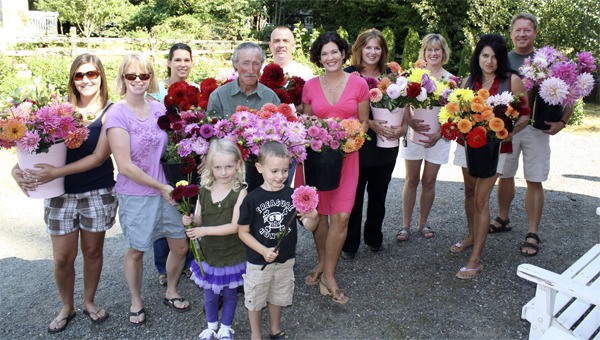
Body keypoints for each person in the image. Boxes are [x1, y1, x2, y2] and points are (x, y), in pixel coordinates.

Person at [11, 53, 117, 333]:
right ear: (72, 79)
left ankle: (89, 301)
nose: (85, 80)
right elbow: (31, 150)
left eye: (92, 74)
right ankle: (67, 306)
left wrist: (54, 172)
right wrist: (16, 172)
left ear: (101, 76)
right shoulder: (58, 112)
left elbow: (98, 156)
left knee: (93, 252)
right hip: (59, 194)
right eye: (79, 75)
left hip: (97, 190)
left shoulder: (111, 112)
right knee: (62, 258)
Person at [105, 53, 190, 325]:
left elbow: (175, 145)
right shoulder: (117, 114)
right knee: (137, 250)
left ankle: (171, 289)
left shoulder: (158, 108)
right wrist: (161, 186)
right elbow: (125, 166)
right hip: (137, 194)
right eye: (131, 76)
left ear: (151, 77)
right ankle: (136, 299)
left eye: (144, 75)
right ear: (123, 79)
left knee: (179, 245)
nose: (138, 80)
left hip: (167, 191)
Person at [489, 13, 573, 257]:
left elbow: (570, 93)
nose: (522, 34)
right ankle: (503, 218)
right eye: (518, 30)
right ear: (511, 33)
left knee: (534, 179)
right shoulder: (503, 60)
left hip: (537, 129)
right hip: (509, 128)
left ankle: (533, 231)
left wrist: (563, 121)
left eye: (527, 30)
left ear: (535, 33)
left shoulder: (550, 61)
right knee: (505, 175)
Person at [452, 34, 529, 279]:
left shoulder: (512, 80)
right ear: (478, 56)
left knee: (482, 199)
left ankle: (476, 259)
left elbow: (526, 115)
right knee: (469, 192)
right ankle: (472, 236)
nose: (490, 61)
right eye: (485, 55)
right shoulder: (469, 80)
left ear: (501, 58)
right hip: (468, 147)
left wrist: (510, 133)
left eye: (495, 56)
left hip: (497, 149)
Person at [301, 31, 370, 303]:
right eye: (324, 53)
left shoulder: (359, 84)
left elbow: (364, 122)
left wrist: (352, 140)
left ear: (343, 54)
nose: (330, 57)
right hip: (318, 161)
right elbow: (305, 125)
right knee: (320, 216)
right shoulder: (309, 85)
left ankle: (329, 274)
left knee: (341, 216)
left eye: (334, 51)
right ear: (319, 58)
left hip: (348, 158)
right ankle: (321, 263)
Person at [238, 141, 318, 340]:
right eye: (274, 171)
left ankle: (275, 328)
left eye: (284, 170)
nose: (280, 176)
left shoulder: (293, 196)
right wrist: (263, 250)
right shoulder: (252, 199)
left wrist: (313, 216)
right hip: (258, 261)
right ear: (259, 168)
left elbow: (309, 227)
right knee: (255, 299)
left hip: (286, 259)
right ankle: (255, 334)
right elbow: (242, 232)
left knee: (278, 296)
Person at [341, 28, 404, 260]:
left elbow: (406, 107)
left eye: (377, 47)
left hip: (387, 143)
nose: (372, 52)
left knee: (379, 193)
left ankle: (374, 237)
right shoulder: (348, 74)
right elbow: (344, 108)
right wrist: (370, 123)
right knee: (354, 196)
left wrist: (403, 127)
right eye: (368, 47)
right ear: (359, 49)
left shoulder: (394, 77)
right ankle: (350, 243)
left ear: (383, 51)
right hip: (358, 143)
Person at [182, 139, 247, 340]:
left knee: (229, 293)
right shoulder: (204, 190)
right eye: (218, 167)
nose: (224, 172)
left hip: (232, 254)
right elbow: (200, 218)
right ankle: (211, 327)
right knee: (210, 294)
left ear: (238, 164)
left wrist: (204, 231)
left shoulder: (240, 191)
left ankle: (226, 327)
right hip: (210, 254)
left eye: (229, 166)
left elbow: (235, 226)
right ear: (210, 167)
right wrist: (192, 220)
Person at [395, 33, 453, 242]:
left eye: (437, 49)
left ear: (444, 52)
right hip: (414, 134)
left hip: (438, 137)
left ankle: (423, 223)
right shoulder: (414, 76)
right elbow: (402, 105)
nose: (433, 53)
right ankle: (405, 225)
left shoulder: (450, 80)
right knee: (411, 179)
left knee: (429, 181)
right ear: (424, 52)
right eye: (429, 49)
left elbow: (454, 112)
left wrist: (439, 134)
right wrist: (409, 122)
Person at [148, 43, 196, 287]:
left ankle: (187, 261)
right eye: (177, 60)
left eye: (186, 60)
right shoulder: (155, 94)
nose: (182, 64)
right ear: (168, 63)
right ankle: (162, 266)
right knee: (164, 213)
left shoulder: (196, 92)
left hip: (188, 158)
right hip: (163, 160)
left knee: (187, 209)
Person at [207, 42, 280, 118]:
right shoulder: (219, 96)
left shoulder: (271, 97)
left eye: (256, 64)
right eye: (245, 63)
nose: (251, 70)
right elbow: (213, 127)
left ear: (261, 66)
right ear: (235, 64)